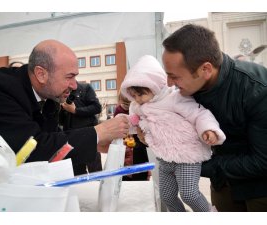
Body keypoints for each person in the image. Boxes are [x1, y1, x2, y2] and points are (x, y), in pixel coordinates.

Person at [0, 39, 129, 166]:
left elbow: (51, 139)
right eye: (69, 76)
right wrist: (98, 133)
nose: (74, 85)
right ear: (41, 74)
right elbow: (31, 151)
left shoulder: (49, 99)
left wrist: (95, 143)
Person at [161, 24, 267, 211]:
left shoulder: (256, 89)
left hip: (260, 190)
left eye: (174, 76)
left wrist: (193, 165)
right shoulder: (187, 90)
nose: (169, 83)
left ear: (205, 69)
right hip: (222, 184)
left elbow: (263, 160)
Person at [120, 55, 226, 212]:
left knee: (189, 194)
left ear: (155, 86)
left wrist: (208, 129)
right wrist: (121, 125)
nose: (138, 99)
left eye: (140, 94)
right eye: (133, 96)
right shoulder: (138, 107)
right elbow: (134, 122)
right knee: (167, 196)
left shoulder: (174, 98)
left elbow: (199, 114)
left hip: (187, 155)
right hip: (164, 158)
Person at [59, 81, 103, 175]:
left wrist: (75, 111)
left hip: (89, 135)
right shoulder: (59, 92)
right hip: (72, 138)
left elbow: (97, 107)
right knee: (77, 174)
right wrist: (61, 110)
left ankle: (98, 189)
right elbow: (61, 121)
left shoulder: (85, 88)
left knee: (96, 173)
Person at [113, 92, 150, 181]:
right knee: (140, 171)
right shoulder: (141, 108)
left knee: (126, 173)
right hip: (139, 144)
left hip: (126, 145)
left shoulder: (119, 109)